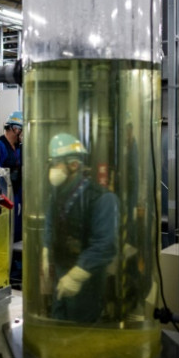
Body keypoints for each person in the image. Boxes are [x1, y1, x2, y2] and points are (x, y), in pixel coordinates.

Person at [42, 133, 120, 323]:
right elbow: (51, 223)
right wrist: (46, 249)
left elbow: (105, 245)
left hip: (87, 278)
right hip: (61, 268)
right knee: (59, 321)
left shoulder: (101, 199)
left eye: (56, 163)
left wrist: (77, 276)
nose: (52, 169)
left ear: (74, 165)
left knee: (81, 328)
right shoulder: (57, 194)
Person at [0, 110, 23, 243]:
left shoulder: (18, 147)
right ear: (15, 129)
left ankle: (18, 260)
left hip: (18, 193)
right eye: (22, 130)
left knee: (17, 230)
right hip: (5, 196)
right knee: (7, 231)